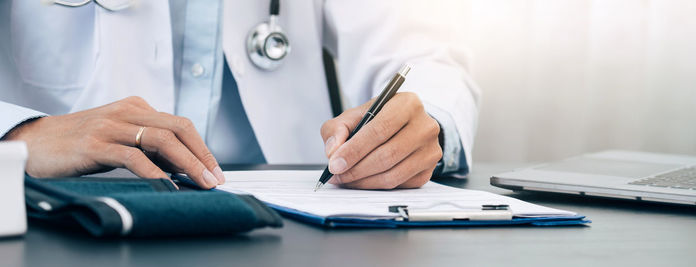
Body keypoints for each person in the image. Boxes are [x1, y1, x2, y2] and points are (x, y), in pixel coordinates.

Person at [0, 0, 479, 190]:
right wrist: (21, 132)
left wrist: (425, 119)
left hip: (289, 220)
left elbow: (423, 50)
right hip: (63, 209)